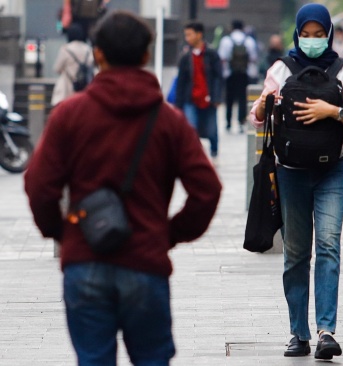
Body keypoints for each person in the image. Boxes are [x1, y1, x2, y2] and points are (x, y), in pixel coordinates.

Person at [24, 11, 221, 365]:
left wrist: (62, 232)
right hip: (145, 261)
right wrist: (168, 233)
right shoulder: (168, 121)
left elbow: (38, 184)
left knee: (93, 358)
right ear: (146, 56)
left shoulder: (70, 115)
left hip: (85, 260)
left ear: (98, 54)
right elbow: (207, 189)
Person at [250, 3, 343, 360]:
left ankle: (325, 331)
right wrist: (261, 106)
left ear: (330, 35)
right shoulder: (281, 68)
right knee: (296, 254)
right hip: (290, 172)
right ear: (297, 34)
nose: (313, 41)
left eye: (320, 35)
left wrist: (331, 111)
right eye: (307, 34)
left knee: (329, 247)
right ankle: (298, 333)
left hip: (332, 170)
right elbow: (258, 117)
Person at [175, 21, 222, 163]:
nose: (187, 38)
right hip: (191, 98)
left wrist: (217, 96)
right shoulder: (185, 56)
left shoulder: (212, 54)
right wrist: (178, 104)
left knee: (212, 130)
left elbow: (218, 76)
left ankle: (214, 153)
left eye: (189, 34)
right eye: (186, 35)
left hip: (209, 98)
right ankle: (196, 156)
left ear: (199, 34)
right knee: (192, 129)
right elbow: (181, 81)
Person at [219, 20, 258, 134]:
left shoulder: (226, 40)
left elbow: (222, 57)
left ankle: (228, 123)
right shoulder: (249, 41)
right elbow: (253, 58)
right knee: (242, 99)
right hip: (244, 73)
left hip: (229, 74)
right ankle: (241, 122)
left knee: (229, 99)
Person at [51, 23, 93, 106]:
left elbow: (57, 68)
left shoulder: (65, 49)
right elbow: (91, 65)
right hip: (84, 85)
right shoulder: (88, 49)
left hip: (66, 87)